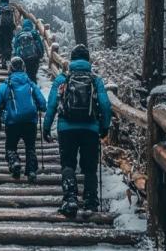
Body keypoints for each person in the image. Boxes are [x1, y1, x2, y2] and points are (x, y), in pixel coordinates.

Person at [43, 44, 112, 217]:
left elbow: (51, 104)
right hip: (90, 128)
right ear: (88, 60)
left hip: (66, 128)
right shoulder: (96, 80)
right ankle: (90, 202)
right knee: (89, 167)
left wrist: (46, 127)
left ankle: (70, 198)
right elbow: (105, 105)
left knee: (68, 164)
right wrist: (104, 127)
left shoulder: (63, 79)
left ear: (72, 60)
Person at [0, 57, 46, 184]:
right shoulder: (30, 84)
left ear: (10, 68)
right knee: (30, 147)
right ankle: (31, 171)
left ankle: (14, 162)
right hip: (30, 122)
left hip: (12, 122)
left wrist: (3, 109)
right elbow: (43, 104)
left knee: (10, 146)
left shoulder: (6, 84)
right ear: (24, 68)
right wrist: (37, 107)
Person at [0, 0, 16, 69]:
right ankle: (7, 59)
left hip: (0, 30)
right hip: (9, 30)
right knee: (8, 44)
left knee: (1, 44)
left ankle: (2, 57)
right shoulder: (11, 9)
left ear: (1, 2)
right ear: (8, 2)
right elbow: (15, 21)